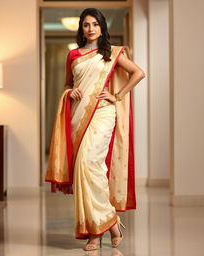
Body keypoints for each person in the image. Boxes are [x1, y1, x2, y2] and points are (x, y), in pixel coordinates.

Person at [45, 8, 145, 251]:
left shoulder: (111, 53)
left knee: (88, 164)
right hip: (79, 115)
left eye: (94, 24)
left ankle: (98, 231)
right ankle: (107, 225)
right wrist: (70, 92)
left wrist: (117, 95)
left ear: (102, 27)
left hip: (102, 113)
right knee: (88, 169)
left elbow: (138, 73)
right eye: (86, 25)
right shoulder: (73, 55)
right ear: (81, 28)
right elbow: (67, 84)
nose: (90, 29)